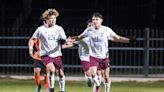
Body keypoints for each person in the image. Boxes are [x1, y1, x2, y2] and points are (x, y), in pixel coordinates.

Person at [74, 12, 133, 92]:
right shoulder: (89, 30)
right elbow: (79, 37)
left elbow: (117, 38)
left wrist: (128, 40)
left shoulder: (106, 29)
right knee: (93, 74)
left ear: (101, 20)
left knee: (106, 76)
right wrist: (69, 39)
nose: (94, 21)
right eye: (93, 20)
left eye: (96, 19)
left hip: (104, 57)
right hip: (93, 57)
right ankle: (97, 85)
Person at [28, 8, 74, 92]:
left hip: (57, 54)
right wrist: (31, 49)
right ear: (46, 19)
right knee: (51, 69)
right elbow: (32, 39)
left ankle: (62, 90)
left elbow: (63, 40)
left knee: (60, 73)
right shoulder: (40, 29)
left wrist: (66, 41)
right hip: (45, 54)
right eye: (51, 18)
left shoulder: (59, 28)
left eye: (54, 18)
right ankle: (51, 89)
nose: (53, 20)